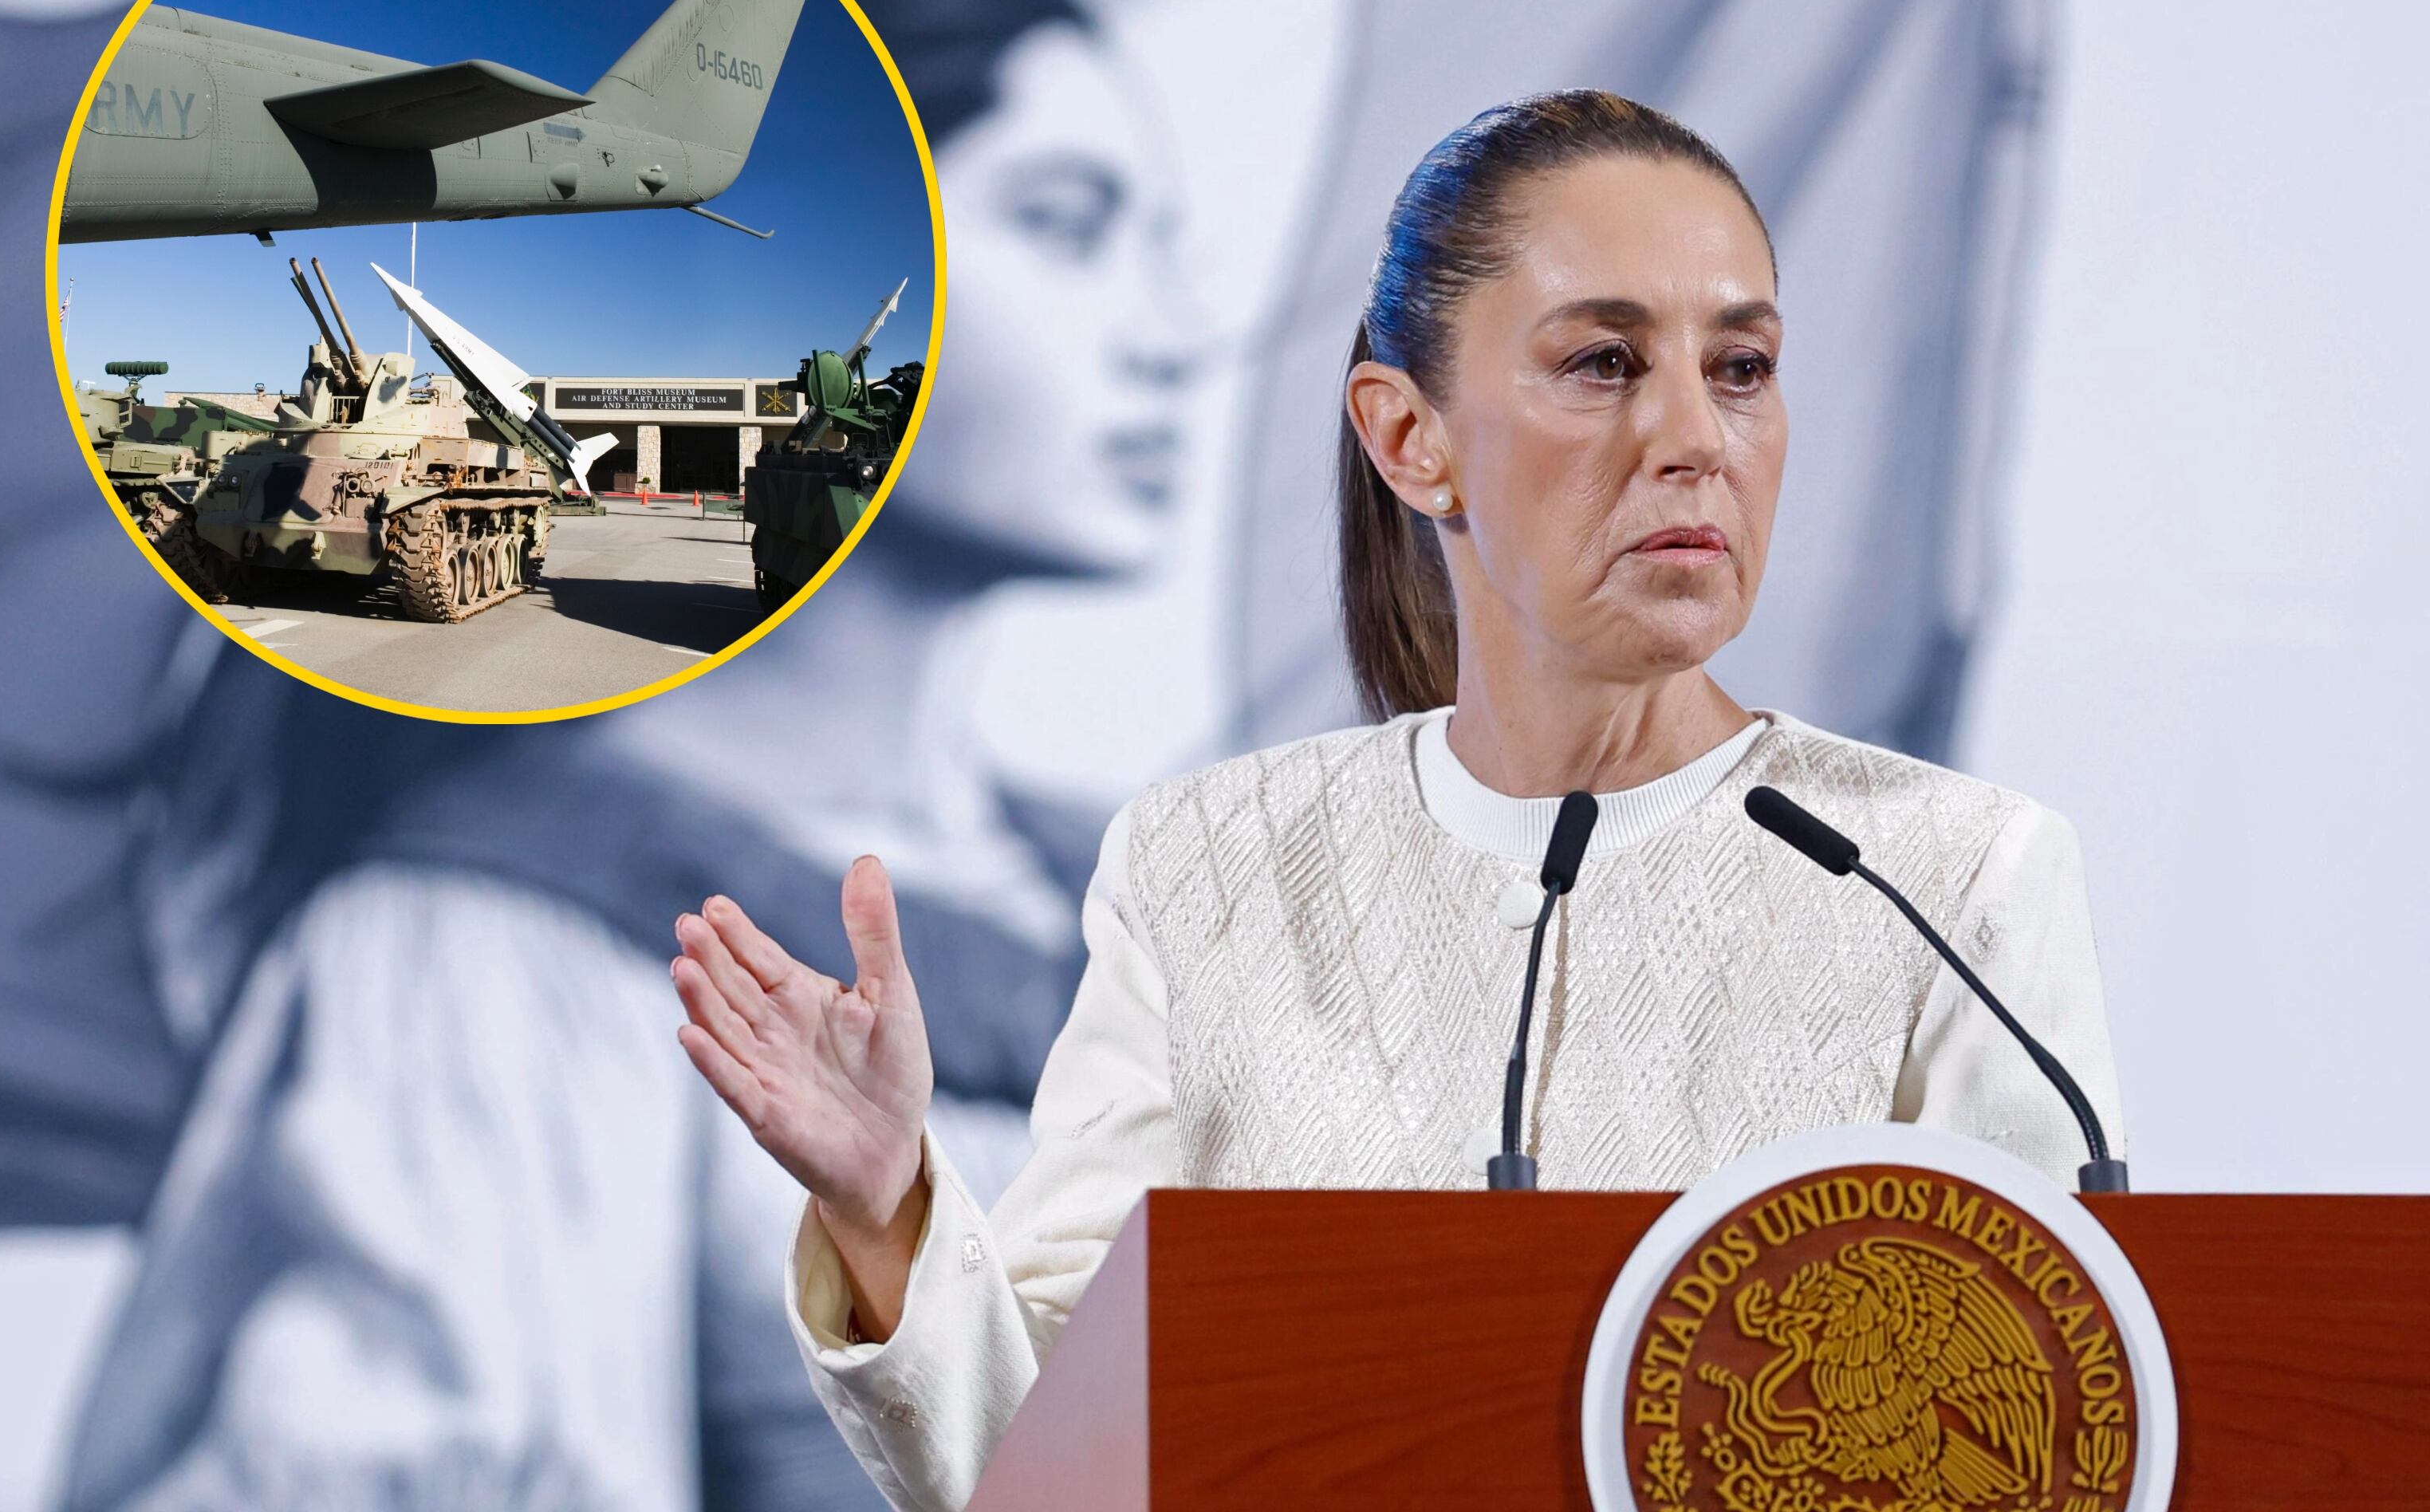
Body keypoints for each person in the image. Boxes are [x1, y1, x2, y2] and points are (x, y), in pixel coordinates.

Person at [668, 90, 2125, 1511]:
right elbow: (1047, 1467)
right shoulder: (1205, 868)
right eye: (1606, 363)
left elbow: (2053, 1432)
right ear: (1411, 438)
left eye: (1741, 368)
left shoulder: (1948, 880)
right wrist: (885, 1210)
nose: (1698, 436)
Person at [47, 0, 1200, 1512]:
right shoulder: (488, 948)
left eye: (1165, 244)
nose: (1176, 330)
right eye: (1068, 230)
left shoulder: (1168, 897)